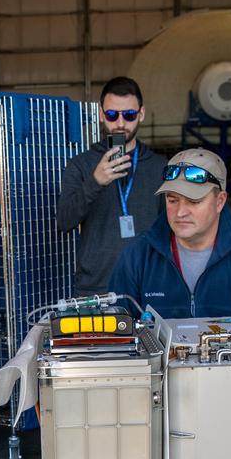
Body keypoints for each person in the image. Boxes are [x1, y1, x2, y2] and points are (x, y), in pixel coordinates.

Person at [108, 148, 231, 352]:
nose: (180, 212)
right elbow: (116, 336)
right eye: (172, 200)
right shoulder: (138, 257)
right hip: (157, 382)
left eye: (194, 201)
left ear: (220, 201)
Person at [56, 76, 167, 296]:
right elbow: (64, 221)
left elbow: (171, 228)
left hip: (148, 287)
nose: (120, 123)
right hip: (95, 288)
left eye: (129, 115)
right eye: (111, 114)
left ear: (141, 114)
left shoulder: (159, 167)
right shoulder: (81, 164)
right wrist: (95, 182)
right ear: (101, 114)